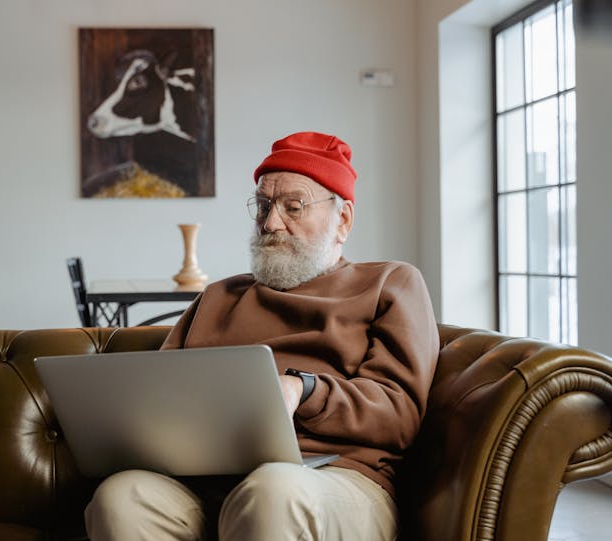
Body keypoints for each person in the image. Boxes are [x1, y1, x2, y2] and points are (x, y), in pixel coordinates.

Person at [84, 131, 439, 541]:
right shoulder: (218, 296)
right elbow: (160, 394)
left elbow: (399, 415)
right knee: (121, 497)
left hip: (337, 481)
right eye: (264, 205)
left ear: (342, 220)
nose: (271, 223)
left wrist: (303, 391)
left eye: (294, 207)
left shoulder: (389, 283)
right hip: (212, 485)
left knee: (273, 490)